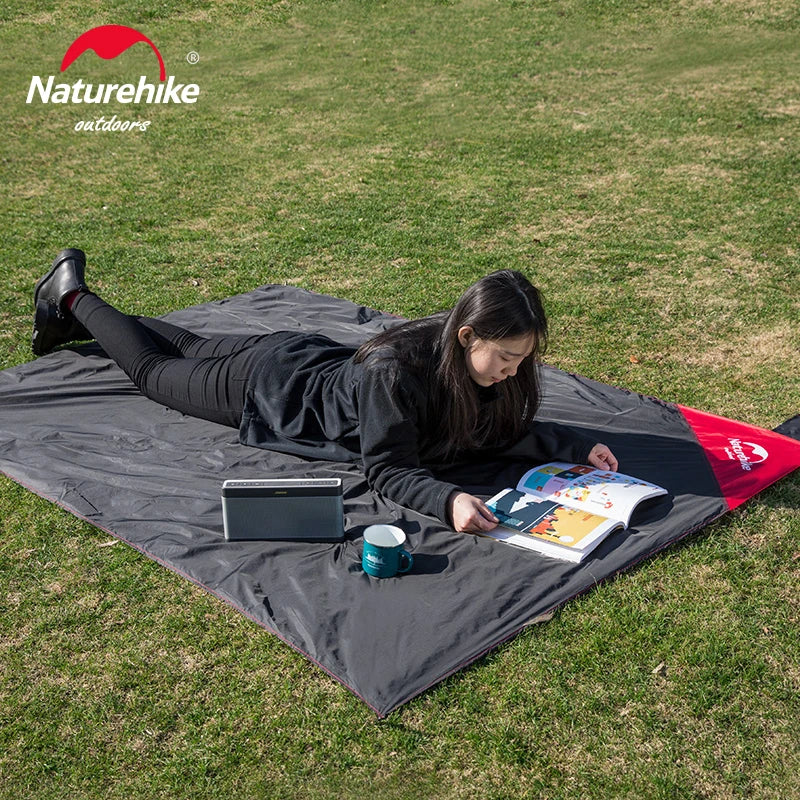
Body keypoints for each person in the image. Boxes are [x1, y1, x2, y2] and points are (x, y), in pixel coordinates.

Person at [31, 248, 618, 533]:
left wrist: (571, 446)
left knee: (184, 347)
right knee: (156, 374)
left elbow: (505, 431)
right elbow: (388, 469)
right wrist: (447, 501)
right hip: (268, 386)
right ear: (466, 336)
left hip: (303, 353)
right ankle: (71, 298)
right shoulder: (398, 374)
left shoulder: (485, 366)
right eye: (507, 358)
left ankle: (82, 317)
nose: (514, 372)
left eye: (524, 358)